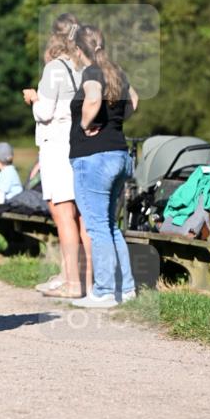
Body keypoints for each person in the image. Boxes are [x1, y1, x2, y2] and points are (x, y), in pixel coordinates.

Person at [23, 13, 93, 299]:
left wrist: (34, 99)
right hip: (80, 143)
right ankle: (85, 278)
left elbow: (45, 112)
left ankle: (72, 283)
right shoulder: (85, 66)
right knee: (82, 215)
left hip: (57, 144)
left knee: (63, 213)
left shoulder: (55, 68)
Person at [69, 24, 138, 308]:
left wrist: (86, 125)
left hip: (94, 159)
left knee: (97, 227)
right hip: (119, 155)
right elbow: (133, 101)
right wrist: (115, 123)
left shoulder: (91, 72)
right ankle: (127, 288)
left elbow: (94, 98)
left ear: (78, 50)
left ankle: (105, 291)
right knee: (110, 226)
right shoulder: (117, 72)